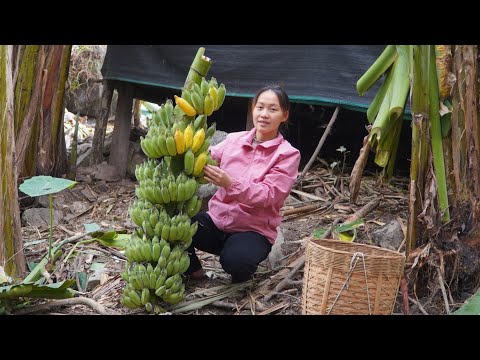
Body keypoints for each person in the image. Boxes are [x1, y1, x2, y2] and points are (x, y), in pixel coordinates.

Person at [185, 85, 301, 283]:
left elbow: (268, 195)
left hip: (252, 230)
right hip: (216, 221)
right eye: (260, 107)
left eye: (272, 109)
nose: (264, 114)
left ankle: (240, 275)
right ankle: (194, 271)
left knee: (237, 262)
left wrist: (230, 183)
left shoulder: (287, 155)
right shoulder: (233, 140)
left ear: (284, 115)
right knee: (175, 223)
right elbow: (209, 156)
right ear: (253, 109)